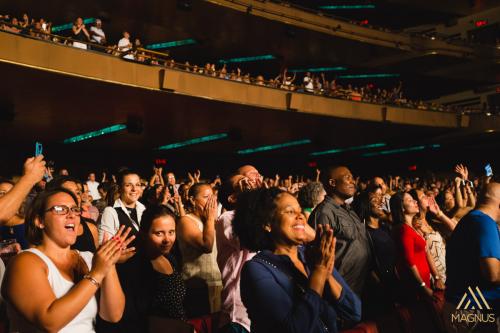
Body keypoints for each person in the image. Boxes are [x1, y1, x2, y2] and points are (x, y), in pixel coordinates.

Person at [1, 188, 132, 332]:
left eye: (75, 209)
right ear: (39, 221)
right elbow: (50, 322)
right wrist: (97, 274)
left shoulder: (89, 258)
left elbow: (113, 315)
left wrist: (109, 262)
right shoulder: (25, 261)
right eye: (60, 209)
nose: (71, 215)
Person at [234, 188, 361, 333]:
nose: (300, 216)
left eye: (300, 211)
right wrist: (319, 272)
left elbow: (354, 312)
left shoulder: (311, 256)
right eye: (290, 212)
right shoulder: (256, 269)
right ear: (267, 223)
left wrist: (326, 273)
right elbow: (296, 328)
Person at [111, 205, 189, 332]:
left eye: (171, 232)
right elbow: (136, 317)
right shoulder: (135, 265)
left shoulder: (170, 258)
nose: (167, 240)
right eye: (159, 233)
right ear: (144, 234)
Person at [444, 182, 500, 333]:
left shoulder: (471, 219)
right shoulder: (484, 223)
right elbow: (493, 274)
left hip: (463, 308)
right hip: (472, 310)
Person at [308, 166, 372, 296]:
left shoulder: (348, 209)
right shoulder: (324, 213)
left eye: (353, 178)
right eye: (347, 178)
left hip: (362, 283)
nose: (353, 181)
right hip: (343, 289)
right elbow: (317, 256)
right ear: (332, 183)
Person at [177, 182, 222, 317]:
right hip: (197, 286)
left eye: (213, 198)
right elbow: (206, 245)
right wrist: (210, 219)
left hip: (217, 283)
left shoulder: (212, 221)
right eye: (206, 197)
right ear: (192, 200)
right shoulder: (186, 221)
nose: (211, 202)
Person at [390, 192, 442, 303]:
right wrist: (422, 286)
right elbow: (409, 261)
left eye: (414, 199)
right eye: (409, 200)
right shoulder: (404, 230)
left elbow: (426, 251)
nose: (415, 202)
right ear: (402, 208)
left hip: (424, 280)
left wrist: (436, 277)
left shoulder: (412, 227)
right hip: (416, 285)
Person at [46, 176, 99, 253]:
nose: (75, 197)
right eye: (69, 192)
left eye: (78, 193)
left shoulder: (91, 228)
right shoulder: (46, 228)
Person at [99, 170, 145, 243]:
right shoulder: (111, 212)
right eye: (128, 185)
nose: (134, 189)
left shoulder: (144, 209)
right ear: (120, 188)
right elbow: (104, 246)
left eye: (137, 185)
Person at [0, 155, 46, 224]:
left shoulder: (31, 224)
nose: (8, 196)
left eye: (11, 192)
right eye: (2, 193)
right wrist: (30, 176)